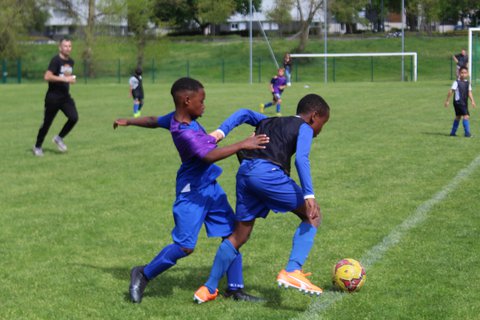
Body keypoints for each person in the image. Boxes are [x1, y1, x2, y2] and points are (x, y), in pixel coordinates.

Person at [113, 77, 269, 304]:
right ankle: (143, 273)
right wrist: (243, 144)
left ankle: (235, 289)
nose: (204, 105)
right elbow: (208, 156)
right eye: (201, 100)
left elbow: (154, 120)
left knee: (233, 236)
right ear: (187, 100)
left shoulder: (181, 120)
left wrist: (128, 121)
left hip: (210, 188)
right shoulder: (183, 132)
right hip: (191, 193)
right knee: (185, 246)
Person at [194, 93, 330, 303]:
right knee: (312, 215)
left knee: (239, 235)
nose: (320, 131)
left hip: (245, 174)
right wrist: (309, 194)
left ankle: (208, 288)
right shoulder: (304, 127)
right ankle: (293, 269)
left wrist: (220, 133)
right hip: (267, 175)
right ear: (314, 116)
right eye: (322, 124)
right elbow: (302, 159)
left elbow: (244, 113)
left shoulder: (270, 120)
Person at [33, 37, 78, 156]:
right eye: (65, 46)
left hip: (65, 97)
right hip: (53, 97)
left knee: (74, 118)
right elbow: (47, 76)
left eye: (69, 46)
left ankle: (59, 138)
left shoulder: (71, 62)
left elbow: (67, 76)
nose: (68, 48)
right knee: (47, 123)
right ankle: (37, 146)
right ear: (60, 47)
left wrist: (71, 80)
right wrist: (64, 79)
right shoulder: (55, 60)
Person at [444, 66, 476, 137]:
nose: (463, 74)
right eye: (462, 73)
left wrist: (472, 101)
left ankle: (452, 133)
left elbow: (469, 92)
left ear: (467, 74)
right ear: (459, 73)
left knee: (458, 117)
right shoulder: (456, 82)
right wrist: (447, 101)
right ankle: (467, 134)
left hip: (464, 102)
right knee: (466, 116)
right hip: (458, 102)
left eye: (465, 73)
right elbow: (451, 91)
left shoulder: (467, 83)